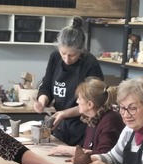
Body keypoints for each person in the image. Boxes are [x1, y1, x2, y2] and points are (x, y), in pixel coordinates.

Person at [34, 16, 104, 146]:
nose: (66, 59)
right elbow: (46, 86)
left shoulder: (90, 64)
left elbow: (93, 102)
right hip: (60, 125)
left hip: (82, 127)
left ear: (81, 50)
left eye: (72, 55)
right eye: (63, 53)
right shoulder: (55, 57)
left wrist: (65, 113)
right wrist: (42, 101)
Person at [47, 76, 124, 157]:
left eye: (80, 99)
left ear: (90, 104)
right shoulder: (93, 118)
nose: (77, 101)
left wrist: (69, 150)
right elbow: (88, 150)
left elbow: (104, 156)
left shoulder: (110, 121)